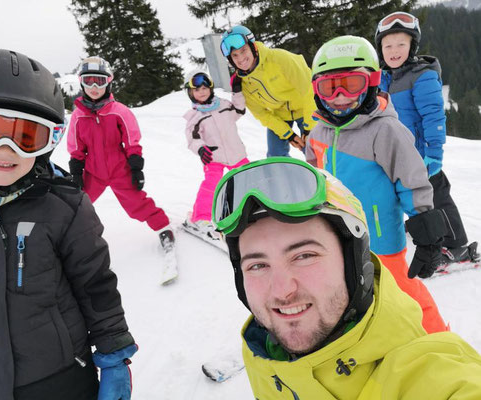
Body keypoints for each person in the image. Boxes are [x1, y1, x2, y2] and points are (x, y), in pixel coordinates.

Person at [0, 49, 136, 400]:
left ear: (47, 144)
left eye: (27, 137)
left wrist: (114, 355)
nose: (6, 150)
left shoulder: (63, 206)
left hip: (59, 382)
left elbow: (96, 285)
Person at [211, 157, 481, 399]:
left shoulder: (428, 375)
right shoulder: (263, 353)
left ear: (353, 261)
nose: (282, 291)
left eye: (304, 256)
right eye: (257, 265)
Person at [305, 35, 448, 334]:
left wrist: (427, 233)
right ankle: (374, 337)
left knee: (406, 293)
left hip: (381, 239)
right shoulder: (318, 133)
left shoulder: (385, 130)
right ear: (317, 91)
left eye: (352, 84)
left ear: (371, 82)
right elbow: (313, 177)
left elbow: (413, 181)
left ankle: (439, 341)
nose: (341, 96)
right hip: (337, 236)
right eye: (330, 87)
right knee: (352, 292)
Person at [375, 11, 479, 265]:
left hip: (421, 155)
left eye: (401, 43)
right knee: (406, 196)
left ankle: (456, 246)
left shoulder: (422, 75)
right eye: (388, 45)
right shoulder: (383, 79)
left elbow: (434, 117)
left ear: (412, 46)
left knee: (437, 196)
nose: (394, 50)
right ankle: (422, 229)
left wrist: (434, 153)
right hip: (396, 155)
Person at [67, 56, 175, 255]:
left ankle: (163, 228)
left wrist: (135, 167)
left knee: (136, 204)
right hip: (94, 172)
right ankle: (68, 242)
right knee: (77, 205)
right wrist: (76, 173)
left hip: (119, 169)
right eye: (88, 80)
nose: (93, 87)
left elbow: (132, 140)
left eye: (99, 81)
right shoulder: (78, 116)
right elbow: (76, 147)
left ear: (108, 82)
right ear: (81, 82)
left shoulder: (119, 111)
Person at [220, 25, 317, 157]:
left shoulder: (281, 59)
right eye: (235, 55)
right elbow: (262, 114)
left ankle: (323, 176)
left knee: (313, 150)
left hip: (305, 108)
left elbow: (310, 91)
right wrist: (288, 135)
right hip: (280, 114)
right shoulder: (242, 83)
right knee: (275, 156)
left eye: (243, 51)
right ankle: (284, 177)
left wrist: (309, 127)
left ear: (253, 47)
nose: (240, 58)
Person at [182, 70, 249, 237]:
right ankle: (200, 218)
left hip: (236, 153)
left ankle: (254, 206)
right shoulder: (195, 117)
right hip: (213, 157)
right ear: (190, 93)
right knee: (211, 186)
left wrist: (237, 92)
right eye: (197, 90)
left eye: (205, 88)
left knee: (248, 178)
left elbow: (239, 110)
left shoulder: (224, 105)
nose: (202, 92)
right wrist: (200, 148)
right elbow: (192, 139)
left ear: (211, 88)